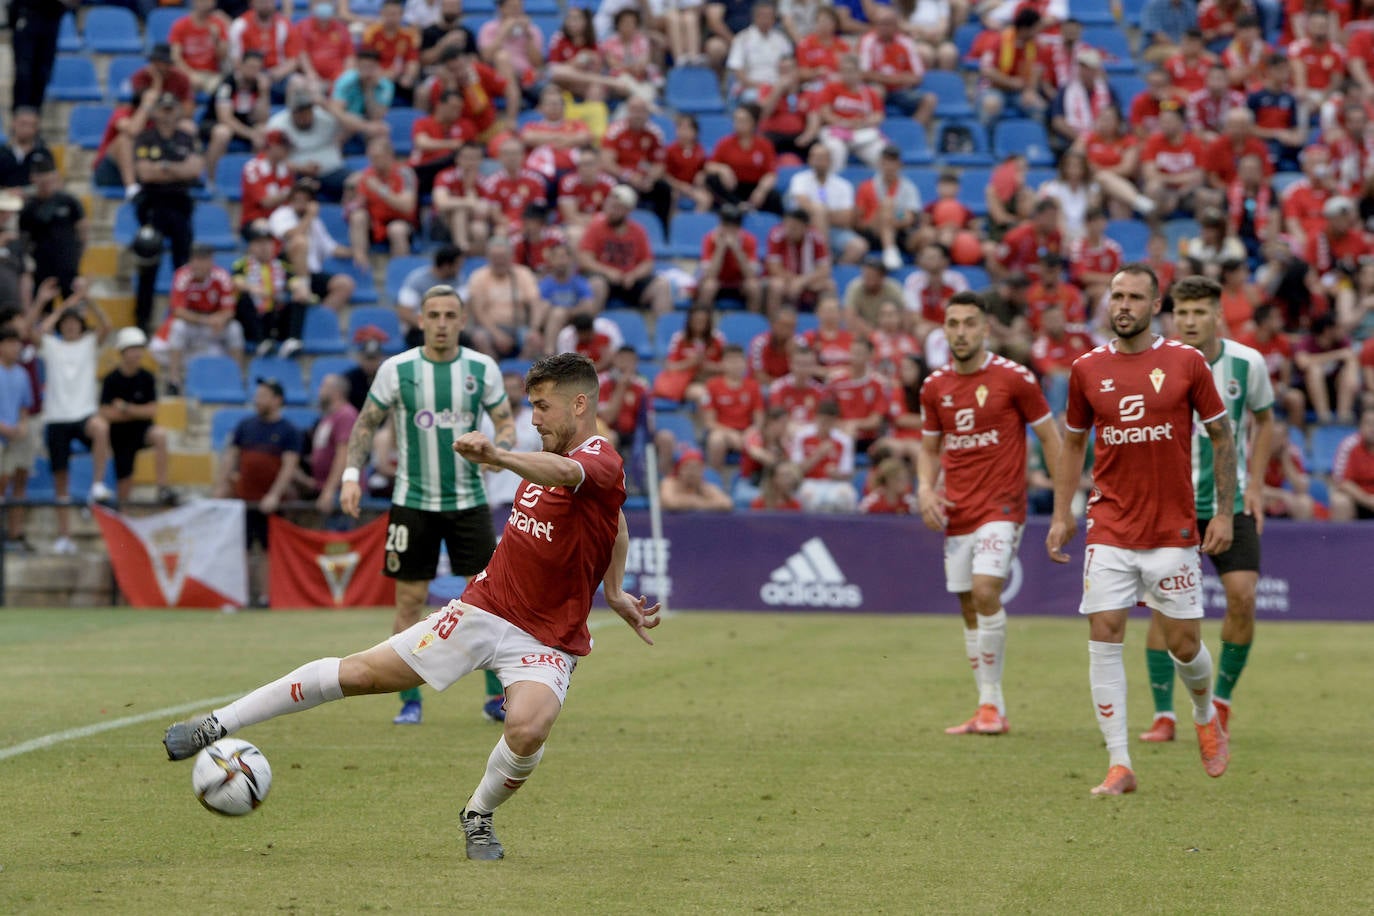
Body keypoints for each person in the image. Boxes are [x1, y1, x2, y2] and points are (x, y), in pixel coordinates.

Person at [164, 353, 660, 862]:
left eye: (542, 406)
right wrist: (616, 590)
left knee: (529, 728)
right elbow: (614, 523)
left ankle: (477, 815)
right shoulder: (555, 456)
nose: (533, 418)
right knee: (359, 674)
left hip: (548, 638)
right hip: (483, 610)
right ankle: (217, 724)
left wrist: (498, 457)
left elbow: (573, 480)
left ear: (579, 405)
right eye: (530, 406)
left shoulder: (598, 459)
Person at [1046, 264, 1236, 797]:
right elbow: (1075, 443)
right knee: (1104, 630)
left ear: (1157, 307)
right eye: (1116, 296)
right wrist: (1063, 514)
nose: (1123, 305)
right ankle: (1119, 763)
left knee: (1184, 646)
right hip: (1109, 524)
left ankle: (1203, 712)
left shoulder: (1185, 362)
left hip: (1172, 530)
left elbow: (1222, 436)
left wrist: (1222, 513)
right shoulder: (1086, 369)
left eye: (1134, 297)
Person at [337, 285, 517, 726]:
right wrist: (350, 476)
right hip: (412, 502)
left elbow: (506, 423)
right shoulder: (397, 370)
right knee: (410, 602)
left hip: (468, 502)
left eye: (449, 315)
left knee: (488, 602)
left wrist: (499, 452)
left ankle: (496, 698)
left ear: (461, 321)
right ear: (420, 320)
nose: (440, 323)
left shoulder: (481, 368)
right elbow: (365, 425)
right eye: (433, 315)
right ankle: (409, 700)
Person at [917, 290, 1061, 736]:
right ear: (945, 330)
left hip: (1002, 506)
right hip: (957, 509)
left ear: (985, 329)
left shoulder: (1015, 379)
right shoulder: (934, 387)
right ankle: (989, 705)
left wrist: (1063, 506)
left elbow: (1052, 440)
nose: (961, 332)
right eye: (953, 323)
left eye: (969, 323)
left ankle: (990, 708)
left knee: (983, 591)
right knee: (967, 605)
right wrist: (925, 488)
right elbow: (929, 448)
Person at [1139, 275, 1274, 743]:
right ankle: (1164, 715)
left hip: (1227, 502)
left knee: (1242, 597)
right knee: (1164, 612)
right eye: (1183, 312)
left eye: (1200, 312)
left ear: (1219, 314)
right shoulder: (1153, 363)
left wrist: (1254, 486)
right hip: (1168, 507)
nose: (1190, 320)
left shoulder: (1246, 363)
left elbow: (1264, 420)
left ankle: (1222, 702)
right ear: (1171, 315)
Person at [215, 379, 302, 606]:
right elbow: (231, 457)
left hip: (271, 504)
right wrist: (222, 485)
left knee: (267, 550)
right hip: (244, 500)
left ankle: (266, 597)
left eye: (263, 395)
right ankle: (240, 596)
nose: (257, 399)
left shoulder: (289, 431)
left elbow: (289, 466)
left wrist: (274, 495)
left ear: (277, 400)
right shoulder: (245, 426)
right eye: (258, 394)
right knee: (240, 548)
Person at [39, 297, 113, 555]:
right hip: (57, 417)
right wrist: (62, 306)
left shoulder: (89, 344)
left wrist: (88, 299)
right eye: (66, 323)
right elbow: (36, 332)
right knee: (61, 481)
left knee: (101, 428)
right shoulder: (51, 346)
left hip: (83, 413)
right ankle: (64, 535)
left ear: (82, 326)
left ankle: (97, 485)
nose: (71, 327)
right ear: (61, 326)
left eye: (75, 322)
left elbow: (106, 326)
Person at [133, 93, 202, 332]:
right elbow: (145, 173)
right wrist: (177, 169)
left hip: (180, 206)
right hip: (154, 207)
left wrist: (163, 167)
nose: (167, 115)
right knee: (148, 263)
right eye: (163, 109)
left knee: (182, 266)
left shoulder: (186, 138)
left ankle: (181, 319)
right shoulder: (145, 138)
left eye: (171, 110)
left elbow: (194, 169)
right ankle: (142, 321)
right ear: (155, 113)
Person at [99, 328, 177, 507]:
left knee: (160, 435)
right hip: (120, 436)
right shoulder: (111, 379)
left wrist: (125, 409)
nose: (137, 353)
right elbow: (105, 413)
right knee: (124, 484)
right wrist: (136, 412)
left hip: (142, 431)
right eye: (132, 349)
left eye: (139, 348)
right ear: (122, 352)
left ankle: (163, 487)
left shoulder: (147, 377)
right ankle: (123, 517)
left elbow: (152, 411)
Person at [19, 151, 84, 300]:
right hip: (42, 268)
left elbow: (82, 230)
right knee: (42, 307)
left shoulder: (69, 201)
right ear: (33, 178)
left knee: (72, 309)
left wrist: (75, 258)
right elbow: (24, 240)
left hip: (68, 267)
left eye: (48, 175)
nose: (45, 180)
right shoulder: (29, 208)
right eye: (40, 175)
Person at [296, 373, 358, 516]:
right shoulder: (328, 418)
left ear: (336, 392)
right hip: (325, 488)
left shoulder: (346, 415)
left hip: (340, 492)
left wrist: (329, 491)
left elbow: (344, 456)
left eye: (323, 386)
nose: (319, 390)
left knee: (338, 537)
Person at [1330, 410, 1374, 521]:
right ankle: (1340, 538)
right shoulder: (1349, 445)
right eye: (1368, 423)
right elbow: (1341, 481)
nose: (1372, 428)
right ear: (1360, 426)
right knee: (1340, 501)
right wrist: (1367, 500)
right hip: (1357, 498)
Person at [660, 448, 734, 511]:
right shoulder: (669, 483)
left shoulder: (705, 487)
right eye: (687, 467)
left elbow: (727, 503)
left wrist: (696, 502)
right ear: (679, 470)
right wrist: (695, 501)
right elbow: (670, 502)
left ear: (702, 471)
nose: (692, 472)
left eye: (696, 468)